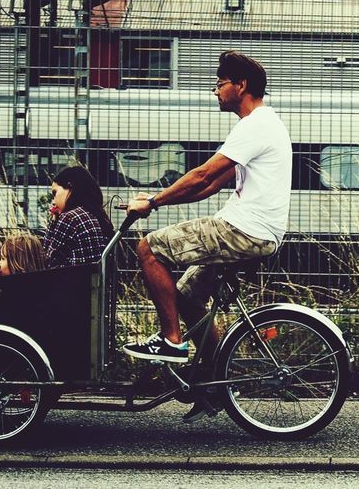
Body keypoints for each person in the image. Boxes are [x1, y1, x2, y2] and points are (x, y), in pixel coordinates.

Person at [122, 50, 292, 423]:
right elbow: (213, 184)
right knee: (185, 296)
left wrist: (152, 201)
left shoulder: (256, 125)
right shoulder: (260, 125)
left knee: (148, 248)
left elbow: (202, 175)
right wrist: (160, 203)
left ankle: (171, 341)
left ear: (240, 85)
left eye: (219, 85)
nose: (215, 92)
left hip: (243, 230)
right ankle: (216, 382)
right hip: (250, 228)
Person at [42, 165, 112, 268]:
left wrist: (53, 223)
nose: (53, 201)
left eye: (55, 193)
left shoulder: (70, 218)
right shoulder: (95, 215)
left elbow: (48, 260)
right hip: (92, 280)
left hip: (72, 280)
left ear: (70, 187)